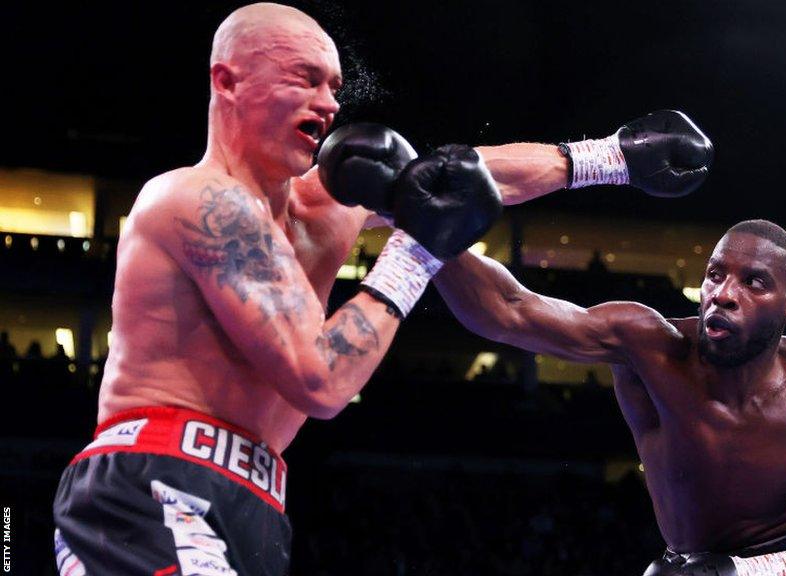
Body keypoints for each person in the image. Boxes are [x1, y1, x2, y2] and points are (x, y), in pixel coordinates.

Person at [50, 2, 713, 575]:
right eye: (305, 79)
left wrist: (614, 158)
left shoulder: (324, 206)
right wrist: (416, 247)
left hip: (254, 500)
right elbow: (319, 379)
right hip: (153, 483)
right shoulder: (195, 200)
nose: (330, 103)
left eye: (335, 86)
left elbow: (469, 173)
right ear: (229, 82)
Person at [434, 219, 786, 576]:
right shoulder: (647, 348)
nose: (724, 294)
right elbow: (510, 310)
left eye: (754, 282)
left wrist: (754, 573)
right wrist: (426, 229)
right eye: (715, 274)